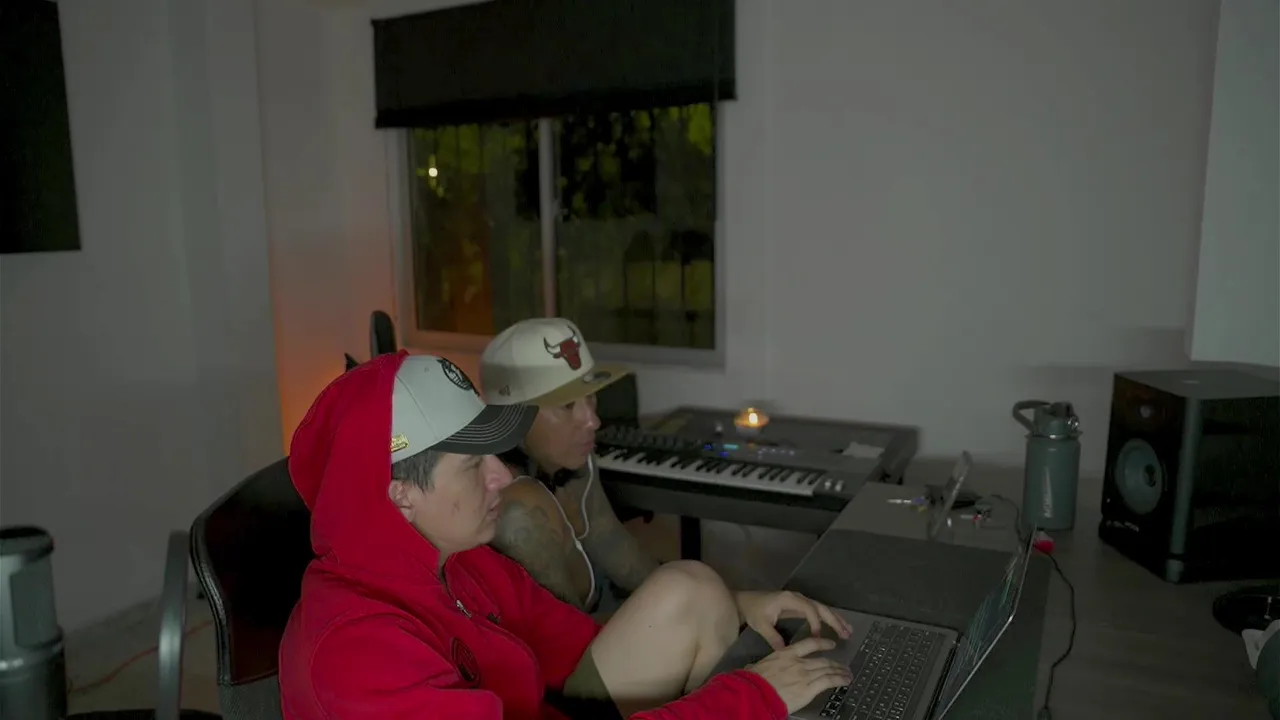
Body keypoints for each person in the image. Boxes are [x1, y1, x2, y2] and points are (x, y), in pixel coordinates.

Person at [278, 351, 854, 720]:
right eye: (474, 465)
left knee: (691, 587)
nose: (503, 476)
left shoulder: (461, 561)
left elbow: (580, 642)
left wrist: (738, 604)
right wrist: (754, 696)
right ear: (400, 494)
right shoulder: (355, 652)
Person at [479, 317, 654, 614]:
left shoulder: (569, 462)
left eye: (591, 398)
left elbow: (617, 552)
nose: (593, 421)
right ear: (511, 417)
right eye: (567, 405)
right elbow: (570, 636)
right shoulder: (516, 514)